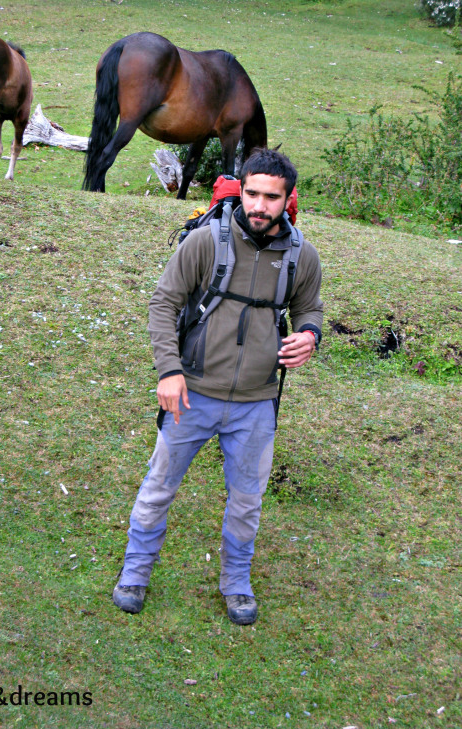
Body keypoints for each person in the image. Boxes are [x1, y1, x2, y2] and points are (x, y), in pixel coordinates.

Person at [113, 147, 323, 625]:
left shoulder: (300, 256)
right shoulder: (206, 243)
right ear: (241, 190)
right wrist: (169, 371)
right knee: (158, 487)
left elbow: (310, 308)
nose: (258, 205)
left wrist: (309, 335)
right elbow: (164, 304)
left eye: (271, 197)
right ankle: (135, 573)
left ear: (287, 199)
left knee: (247, 501)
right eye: (251, 193)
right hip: (192, 393)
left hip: (257, 403)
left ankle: (236, 583)